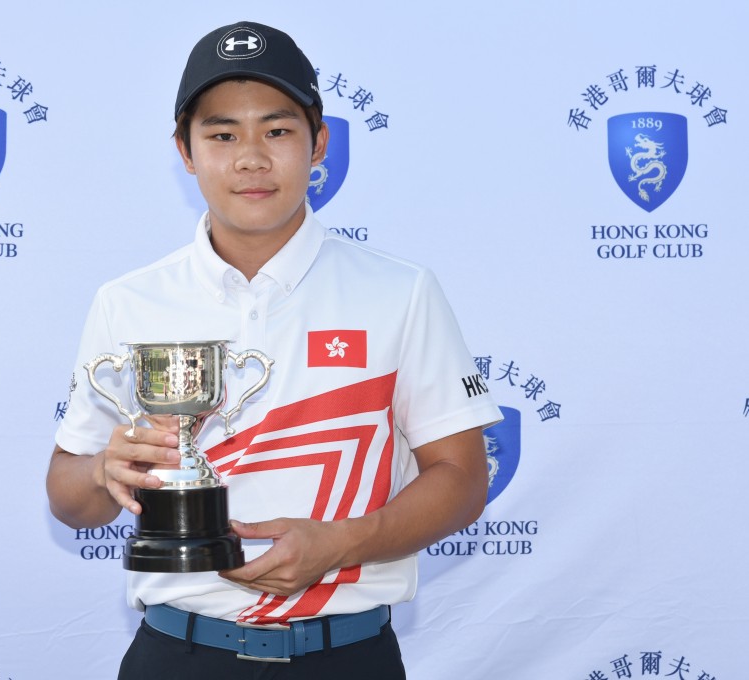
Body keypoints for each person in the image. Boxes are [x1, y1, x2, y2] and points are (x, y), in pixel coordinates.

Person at [46, 20, 503, 679]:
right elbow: (68, 496)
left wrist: (346, 543)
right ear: (185, 148)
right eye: (222, 133)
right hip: (177, 655)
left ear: (319, 142)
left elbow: (462, 481)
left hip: (347, 657)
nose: (251, 158)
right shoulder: (129, 301)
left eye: (278, 130)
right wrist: (101, 472)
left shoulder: (400, 291)